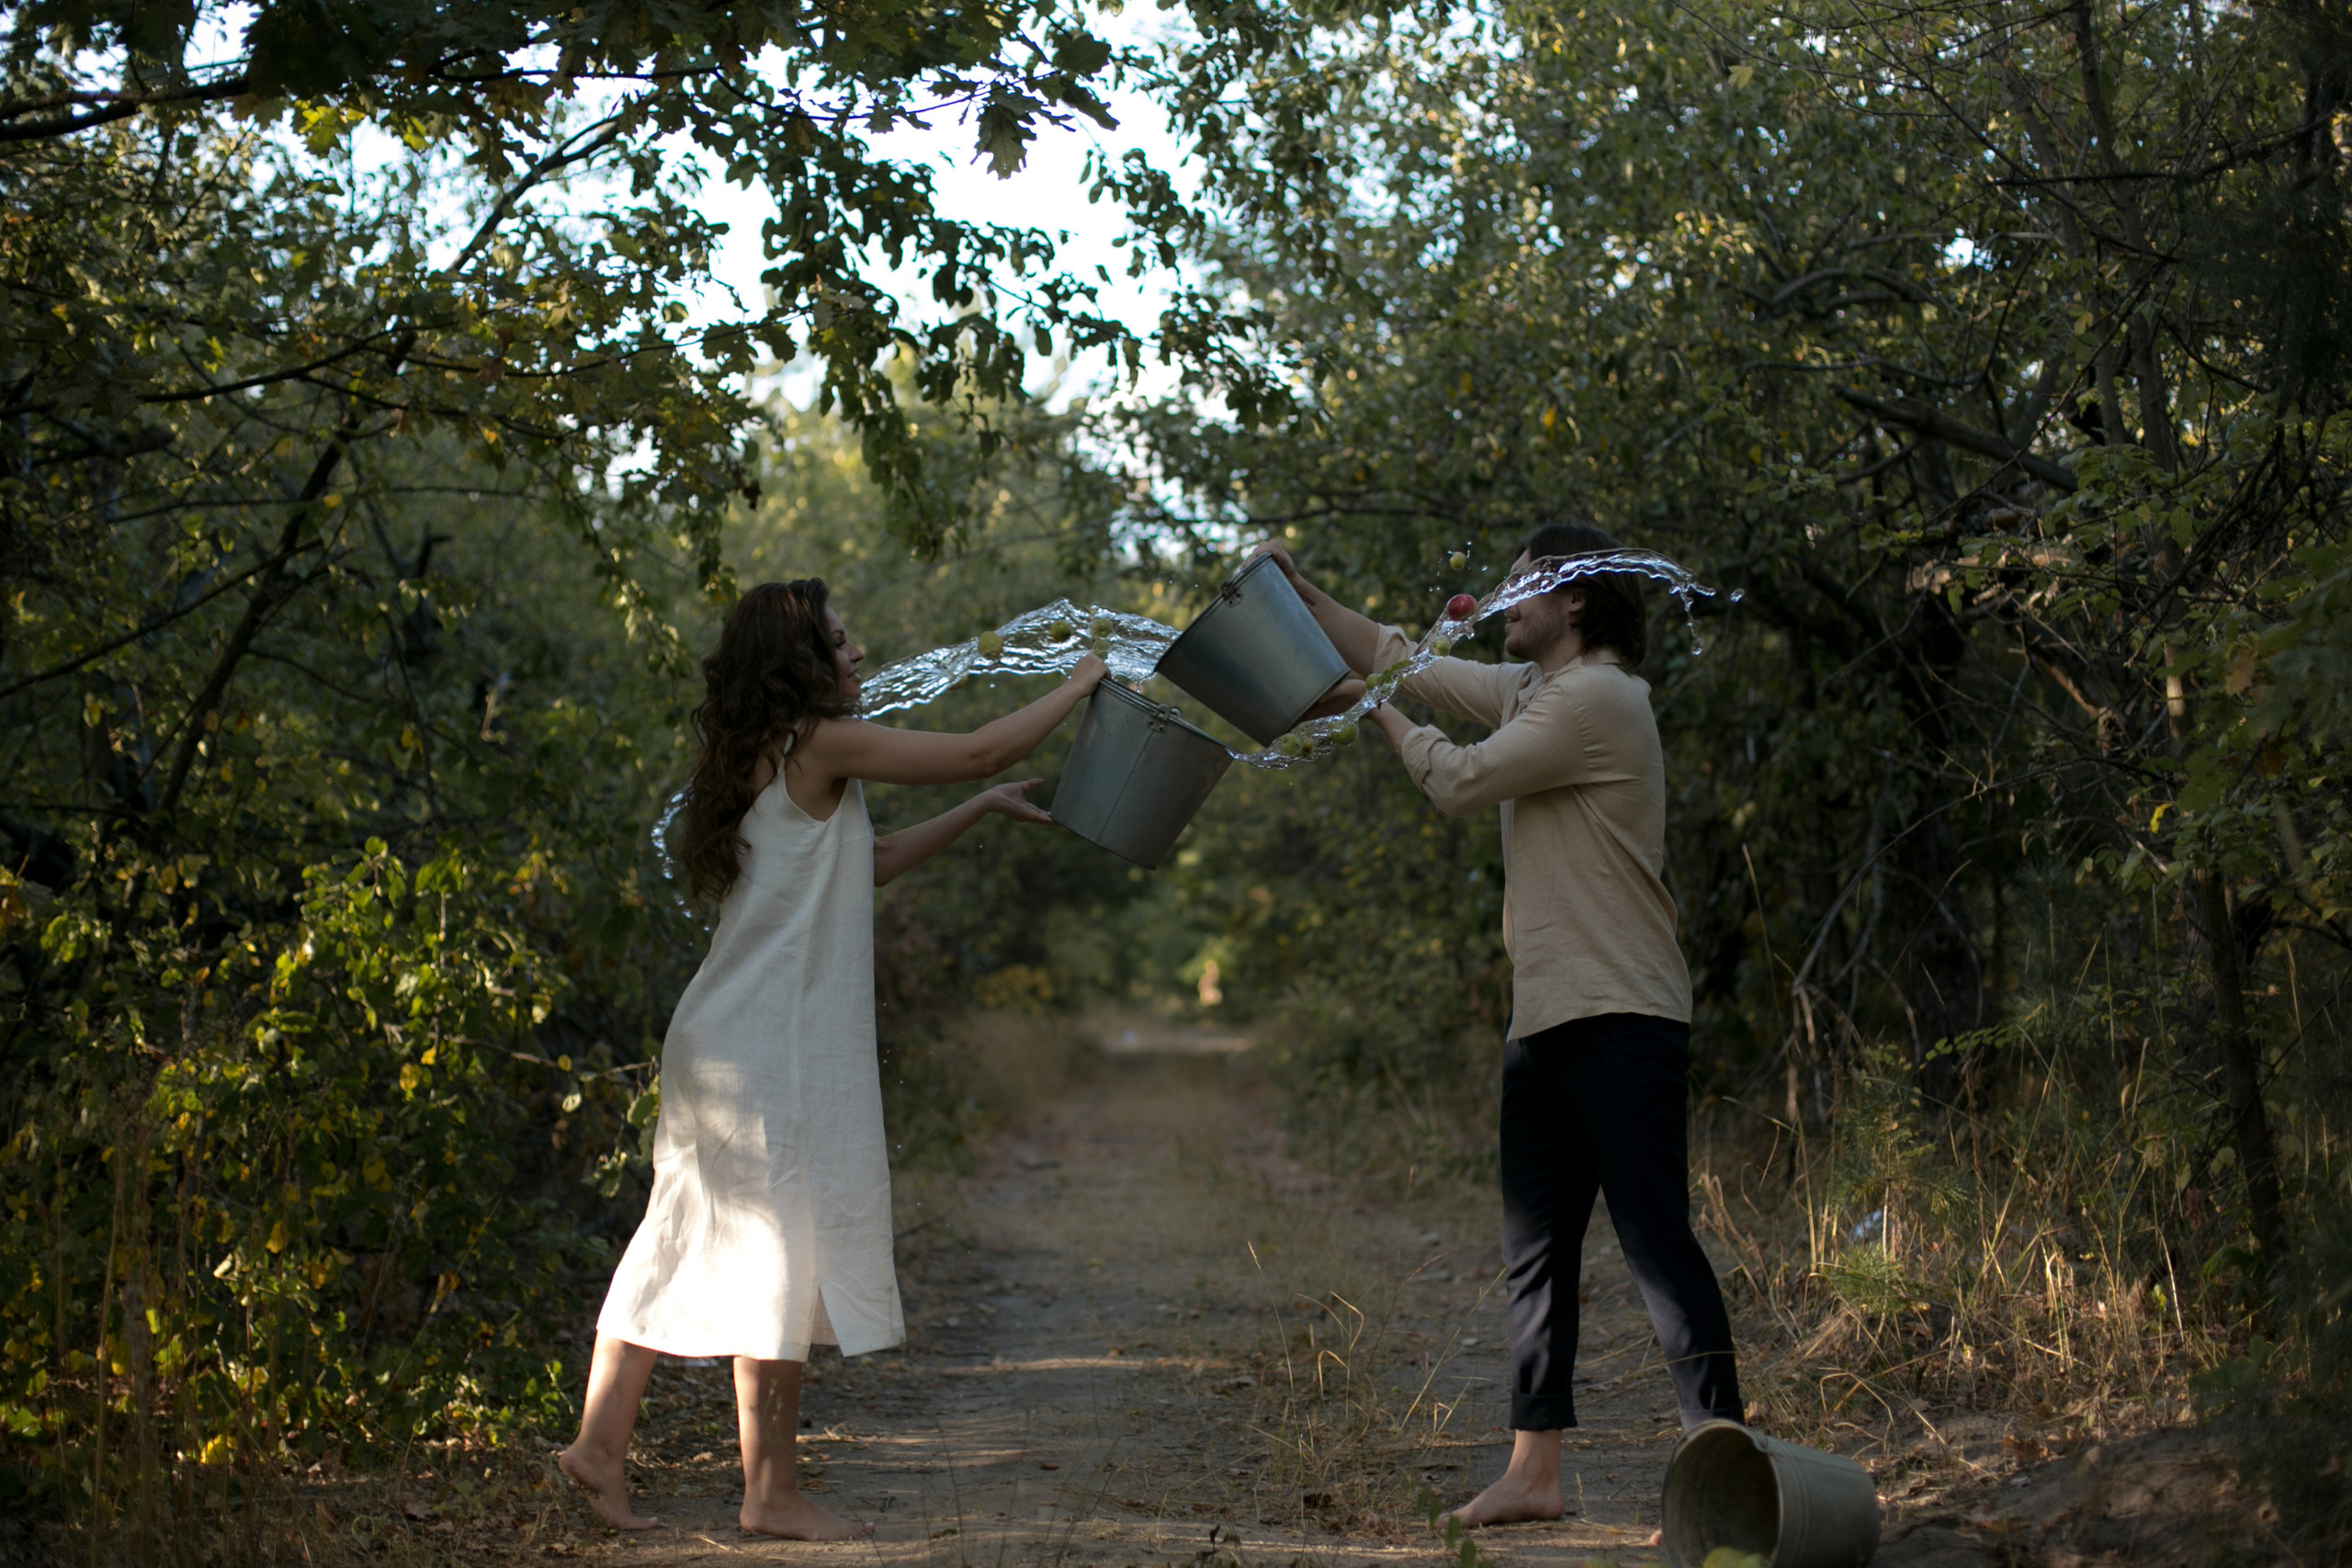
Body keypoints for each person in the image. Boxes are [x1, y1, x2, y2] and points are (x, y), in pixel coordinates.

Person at [558, 579, 1106, 1540]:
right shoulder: (819, 742)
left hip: (736, 1039)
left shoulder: (775, 753)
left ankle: (604, 1451)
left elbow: (870, 861)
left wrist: (979, 809)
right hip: (758, 1047)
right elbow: (981, 745)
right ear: (799, 661)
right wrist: (1082, 682)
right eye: (839, 641)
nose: (857, 654)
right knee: (771, 1252)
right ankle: (765, 1492)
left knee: (695, 1237)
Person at [1251, 523, 1743, 1530]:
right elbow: (1409, 660)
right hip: (1549, 1014)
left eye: (1524, 587)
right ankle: (1533, 1473)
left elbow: (1458, 780)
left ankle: (1723, 1469)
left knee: (1657, 1245)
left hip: (1624, 1011)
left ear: (1576, 601)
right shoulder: (1536, 689)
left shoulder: (1599, 698)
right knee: (1536, 1256)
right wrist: (1302, 596)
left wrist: (1373, 706)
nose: (1503, 600)